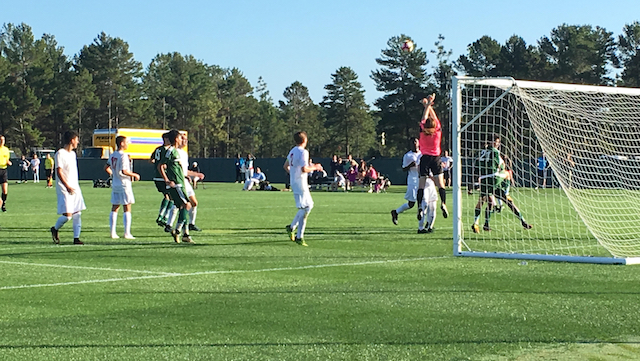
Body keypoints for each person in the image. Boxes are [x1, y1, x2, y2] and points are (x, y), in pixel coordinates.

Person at [283, 131, 323, 246]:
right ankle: (297, 233)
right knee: (308, 206)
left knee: (306, 207)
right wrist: (315, 167)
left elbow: (286, 166)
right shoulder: (303, 152)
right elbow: (304, 169)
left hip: (295, 182)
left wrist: (293, 175)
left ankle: (293, 229)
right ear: (305, 140)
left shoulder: (292, 151)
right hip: (301, 182)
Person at [158, 130, 194, 243]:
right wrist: (167, 180)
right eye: (180, 137)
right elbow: (161, 166)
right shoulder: (171, 151)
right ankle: (178, 231)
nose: (181, 139)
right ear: (176, 139)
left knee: (182, 206)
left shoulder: (175, 152)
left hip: (180, 182)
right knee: (187, 205)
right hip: (177, 184)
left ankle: (182, 233)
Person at [416, 94, 449, 221]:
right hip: (436, 158)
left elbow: (424, 118)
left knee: (421, 185)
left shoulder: (422, 131)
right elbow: (433, 118)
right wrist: (430, 104)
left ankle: (419, 207)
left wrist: (427, 106)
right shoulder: (437, 132)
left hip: (424, 158)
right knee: (441, 184)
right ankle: (443, 203)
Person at [50, 130, 85, 245]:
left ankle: (76, 238)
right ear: (71, 140)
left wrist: (74, 186)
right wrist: (67, 186)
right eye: (76, 139)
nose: (78, 142)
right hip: (64, 188)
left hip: (75, 187)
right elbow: (59, 171)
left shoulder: (73, 154)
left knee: (77, 213)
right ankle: (55, 229)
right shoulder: (60, 153)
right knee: (68, 215)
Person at [105, 136, 140, 239]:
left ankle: (112, 232)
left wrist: (113, 175)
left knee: (115, 207)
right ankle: (127, 233)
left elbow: (106, 167)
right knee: (127, 207)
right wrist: (134, 175)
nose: (128, 144)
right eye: (126, 142)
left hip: (115, 184)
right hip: (124, 184)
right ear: (121, 144)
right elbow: (124, 171)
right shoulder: (123, 156)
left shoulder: (112, 155)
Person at [391, 137, 421, 225]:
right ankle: (395, 212)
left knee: (424, 201)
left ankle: (425, 224)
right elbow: (404, 169)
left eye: (415, 142)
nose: (414, 144)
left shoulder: (422, 154)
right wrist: (410, 165)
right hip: (412, 180)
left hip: (422, 180)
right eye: (412, 142)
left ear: (418, 143)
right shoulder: (408, 155)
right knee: (411, 204)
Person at [177, 134, 203, 232]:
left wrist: (196, 174)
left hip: (184, 180)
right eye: (183, 139)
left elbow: (184, 170)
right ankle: (173, 226)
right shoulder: (175, 152)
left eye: (186, 140)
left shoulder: (184, 153)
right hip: (178, 181)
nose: (185, 141)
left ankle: (191, 224)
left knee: (194, 203)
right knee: (180, 205)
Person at [151, 132, 173, 232]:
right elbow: (164, 164)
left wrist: (156, 163)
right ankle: (162, 216)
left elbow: (151, 160)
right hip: (164, 177)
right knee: (170, 197)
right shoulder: (167, 150)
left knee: (168, 197)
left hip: (156, 176)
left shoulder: (157, 149)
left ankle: (163, 216)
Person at [0, 135, 11, 213]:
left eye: (3, 140)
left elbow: (7, 159)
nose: (2, 141)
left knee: (5, 190)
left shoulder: (6, 150)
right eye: (1, 140)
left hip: (3, 170)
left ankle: (3, 204)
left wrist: (8, 162)